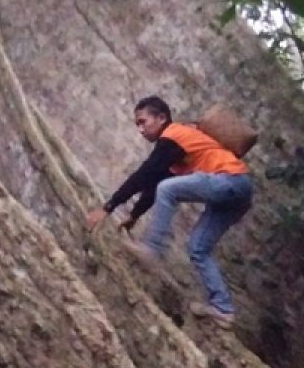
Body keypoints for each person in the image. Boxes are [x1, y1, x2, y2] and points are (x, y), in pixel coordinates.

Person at [86, 95, 253, 329]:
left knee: (168, 189)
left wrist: (108, 208)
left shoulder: (175, 135)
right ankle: (223, 309)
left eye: (143, 122)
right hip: (240, 192)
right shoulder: (178, 151)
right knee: (198, 248)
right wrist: (134, 215)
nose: (141, 130)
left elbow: (144, 174)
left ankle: (152, 249)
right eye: (137, 125)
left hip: (230, 181)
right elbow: (154, 184)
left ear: (161, 118)